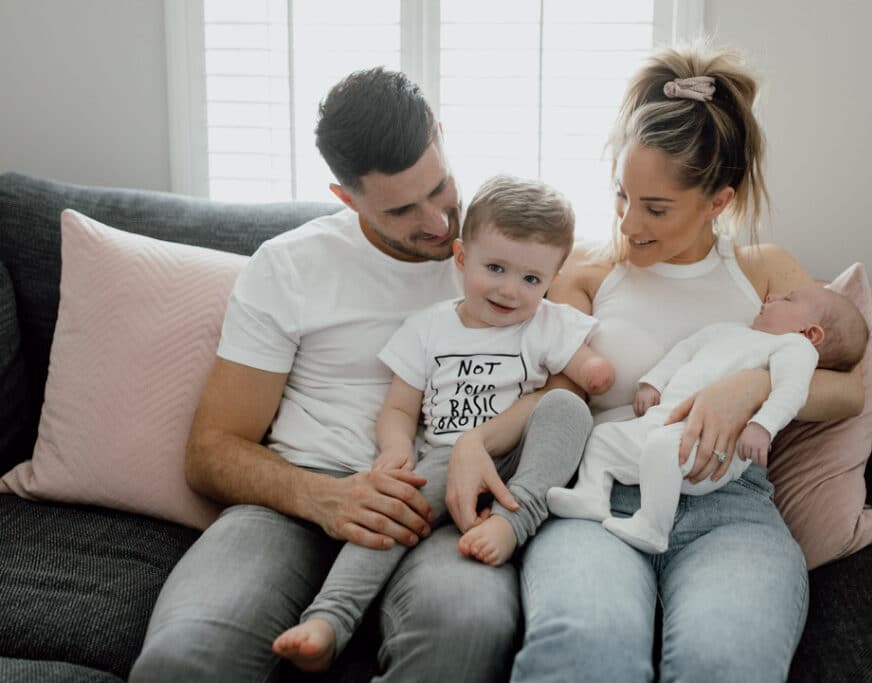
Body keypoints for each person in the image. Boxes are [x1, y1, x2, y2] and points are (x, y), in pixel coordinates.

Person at [129, 68, 592, 682]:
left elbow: (569, 382)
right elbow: (211, 451)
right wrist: (325, 498)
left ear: (443, 141)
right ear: (346, 198)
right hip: (295, 503)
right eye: (402, 209)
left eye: (441, 187)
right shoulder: (290, 266)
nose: (436, 222)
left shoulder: (502, 250)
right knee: (183, 661)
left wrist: (480, 442)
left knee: (467, 630)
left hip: (444, 506)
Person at [502, 44, 872, 682]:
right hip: (606, 492)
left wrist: (751, 387)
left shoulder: (762, 270)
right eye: (621, 196)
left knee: (727, 662)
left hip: (730, 507)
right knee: (584, 650)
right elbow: (555, 400)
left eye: (656, 208)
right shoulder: (585, 273)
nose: (628, 223)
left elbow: (847, 389)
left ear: (718, 202)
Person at [271, 174, 613, 671]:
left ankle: (512, 523)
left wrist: (594, 370)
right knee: (391, 506)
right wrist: (395, 450)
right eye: (495, 267)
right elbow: (399, 409)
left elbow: (585, 370)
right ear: (460, 257)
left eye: (531, 279)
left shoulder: (546, 323)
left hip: (517, 463)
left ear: (551, 279)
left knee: (566, 408)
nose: (510, 290)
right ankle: (330, 618)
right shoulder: (429, 327)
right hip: (443, 458)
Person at [548, 285, 869, 553]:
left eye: (787, 300)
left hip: (713, 449)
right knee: (604, 438)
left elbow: (792, 391)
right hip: (660, 424)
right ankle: (591, 495)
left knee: (663, 447)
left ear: (810, 333)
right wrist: (653, 382)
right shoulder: (727, 331)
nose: (770, 298)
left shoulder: (794, 347)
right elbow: (684, 351)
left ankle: (652, 526)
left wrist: (762, 426)